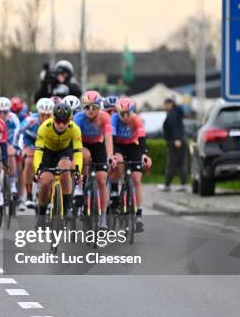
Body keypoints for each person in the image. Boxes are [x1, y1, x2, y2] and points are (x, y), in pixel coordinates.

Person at [108, 97, 153, 232]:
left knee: (137, 179)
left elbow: (142, 140)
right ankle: (115, 190)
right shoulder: (114, 119)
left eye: (128, 113)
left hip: (133, 146)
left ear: (132, 112)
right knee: (119, 162)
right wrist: (114, 157)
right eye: (122, 114)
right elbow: (113, 140)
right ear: (118, 112)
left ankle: (138, 214)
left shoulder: (136, 120)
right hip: (119, 146)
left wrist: (144, 154)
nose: (126, 117)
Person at [34, 102, 83, 221]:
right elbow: (39, 151)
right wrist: (37, 169)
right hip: (48, 152)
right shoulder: (44, 127)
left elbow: (78, 152)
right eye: (58, 121)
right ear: (53, 118)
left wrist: (78, 170)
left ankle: (67, 208)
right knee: (45, 182)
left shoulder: (75, 129)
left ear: (70, 119)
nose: (61, 125)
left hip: (64, 151)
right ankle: (41, 213)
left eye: (65, 122)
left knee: (65, 169)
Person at [73, 90, 113, 230]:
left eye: (94, 107)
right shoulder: (78, 118)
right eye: (87, 107)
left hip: (98, 146)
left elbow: (108, 138)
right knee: (86, 155)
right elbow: (75, 142)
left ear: (99, 107)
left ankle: (102, 218)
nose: (90, 110)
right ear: (83, 107)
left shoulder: (105, 117)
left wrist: (110, 157)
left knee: (102, 180)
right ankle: (79, 187)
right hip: (82, 145)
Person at [19, 98, 54, 211]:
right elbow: (18, 134)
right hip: (31, 140)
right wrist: (19, 149)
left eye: (48, 115)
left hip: (47, 142)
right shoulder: (30, 121)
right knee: (29, 162)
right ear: (38, 113)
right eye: (42, 115)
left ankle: (50, 196)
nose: (45, 118)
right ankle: (29, 194)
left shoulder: (55, 122)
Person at [160, 97, 187, 192]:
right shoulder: (176, 113)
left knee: (172, 163)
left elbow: (174, 127)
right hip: (180, 140)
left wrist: (176, 139)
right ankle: (183, 185)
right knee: (181, 163)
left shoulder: (172, 114)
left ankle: (167, 185)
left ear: (170, 104)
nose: (165, 106)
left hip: (176, 142)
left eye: (166, 104)